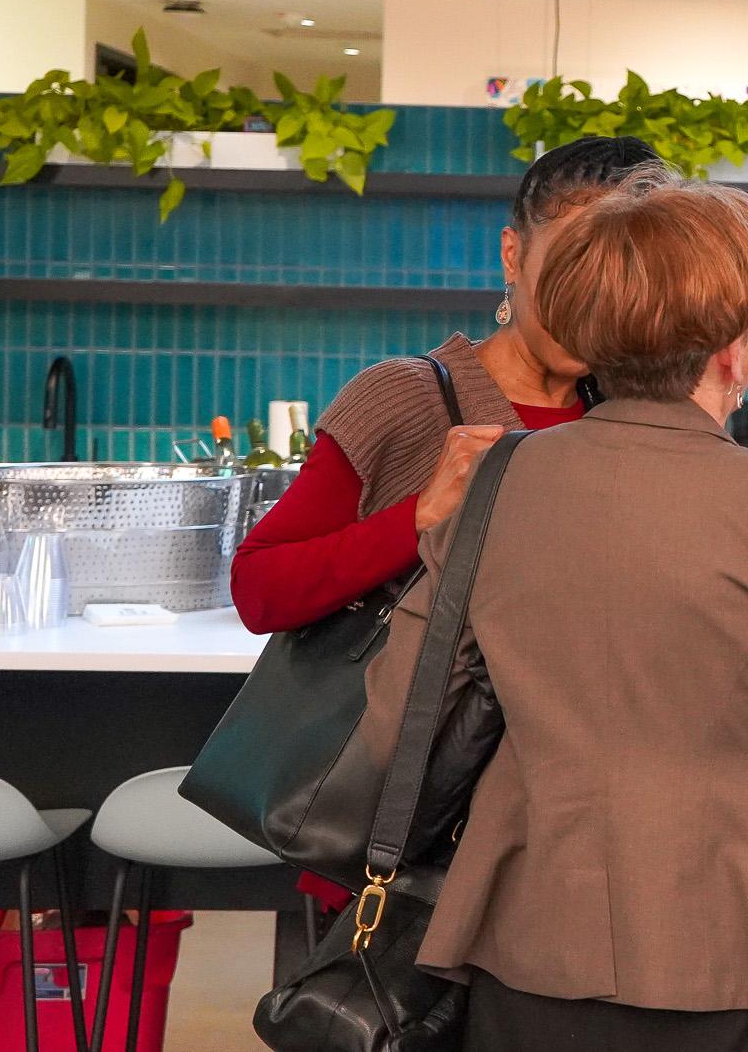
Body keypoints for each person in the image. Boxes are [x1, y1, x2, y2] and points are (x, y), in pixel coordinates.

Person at [381, 180, 748, 1052]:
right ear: (733, 348)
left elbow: (401, 711)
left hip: (524, 940)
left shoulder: (495, 481)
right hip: (739, 955)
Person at [229, 134, 665, 912]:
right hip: (398, 861)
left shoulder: (630, 420)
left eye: (618, 271)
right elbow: (260, 588)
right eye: (570, 264)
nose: (590, 296)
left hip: (560, 858)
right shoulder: (405, 396)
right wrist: (421, 514)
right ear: (511, 254)